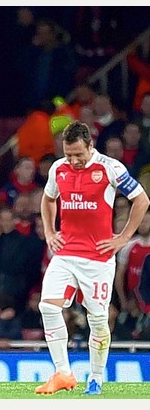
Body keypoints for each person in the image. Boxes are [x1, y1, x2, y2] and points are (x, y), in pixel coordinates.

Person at [36, 120, 149, 395]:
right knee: (48, 307)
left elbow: (142, 200)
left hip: (97, 258)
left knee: (97, 319)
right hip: (65, 254)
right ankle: (63, 372)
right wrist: (51, 231)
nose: (73, 160)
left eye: (78, 154)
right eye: (68, 154)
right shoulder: (58, 168)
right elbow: (48, 199)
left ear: (91, 145)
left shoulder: (110, 168)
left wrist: (123, 238)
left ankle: (96, 377)